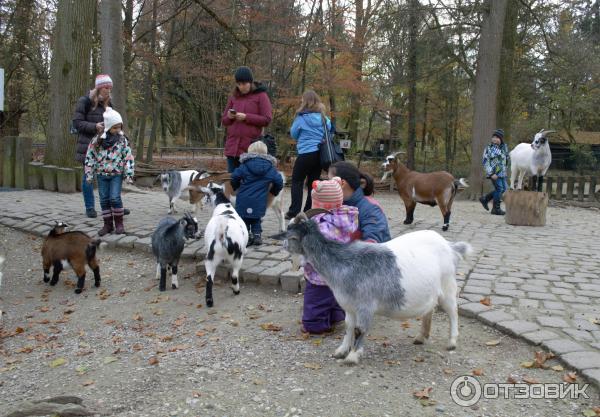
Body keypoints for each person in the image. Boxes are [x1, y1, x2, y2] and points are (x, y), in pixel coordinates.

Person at [301, 177, 359, 334]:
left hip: (320, 275)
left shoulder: (318, 225)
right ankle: (336, 317)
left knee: (316, 301)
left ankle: (316, 325)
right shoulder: (346, 218)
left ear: (318, 203)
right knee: (334, 297)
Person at [72, 74, 130, 218]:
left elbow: (114, 123)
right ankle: (90, 207)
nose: (108, 90)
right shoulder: (84, 101)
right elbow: (77, 123)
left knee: (110, 175)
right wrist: (94, 126)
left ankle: (117, 206)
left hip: (106, 148)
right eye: (105, 87)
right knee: (88, 177)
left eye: (110, 88)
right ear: (98, 88)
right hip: (87, 146)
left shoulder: (109, 104)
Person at [84, 108, 135, 236]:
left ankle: (119, 223)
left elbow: (128, 157)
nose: (118, 130)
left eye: (119, 127)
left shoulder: (122, 140)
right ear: (108, 127)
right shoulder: (97, 141)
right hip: (101, 175)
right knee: (104, 199)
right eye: (115, 128)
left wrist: (129, 174)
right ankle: (107, 224)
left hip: (116, 175)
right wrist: (89, 173)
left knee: (115, 198)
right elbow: (90, 157)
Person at [285, 90, 333, 219]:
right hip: (319, 155)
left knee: (297, 181)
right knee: (313, 183)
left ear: (305, 101)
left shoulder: (301, 118)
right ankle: (308, 211)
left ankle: (294, 211)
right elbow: (330, 132)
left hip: (305, 153)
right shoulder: (324, 118)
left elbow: (294, 134)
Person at [231, 141, 283, 246]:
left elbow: (234, 177)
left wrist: (236, 187)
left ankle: (246, 236)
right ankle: (257, 236)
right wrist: (274, 191)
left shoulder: (244, 165)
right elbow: (279, 181)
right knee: (256, 219)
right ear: (266, 153)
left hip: (243, 199)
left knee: (244, 218)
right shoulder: (270, 167)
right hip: (260, 200)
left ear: (250, 152)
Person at [221, 66, 273, 173]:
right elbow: (224, 121)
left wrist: (246, 117)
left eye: (244, 84)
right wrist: (230, 117)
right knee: (231, 182)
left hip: (251, 149)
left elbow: (267, 119)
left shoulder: (261, 96)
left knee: (248, 182)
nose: (241, 87)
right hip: (232, 148)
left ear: (250, 82)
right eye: (239, 84)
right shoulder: (234, 97)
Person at [328, 161, 391, 243]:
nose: (326, 184)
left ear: (342, 183)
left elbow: (373, 243)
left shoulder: (370, 208)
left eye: (330, 181)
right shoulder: (335, 205)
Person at [480, 129, 510, 215]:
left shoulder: (504, 147)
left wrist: (505, 170)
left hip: (502, 173)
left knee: (504, 189)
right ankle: (496, 209)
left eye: (497, 137)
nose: (494, 139)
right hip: (494, 174)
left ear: (501, 139)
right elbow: (485, 162)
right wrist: (491, 173)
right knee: (499, 189)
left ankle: (485, 199)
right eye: (493, 137)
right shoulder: (489, 148)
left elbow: (506, 159)